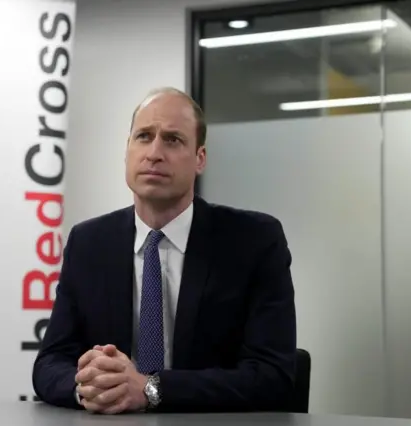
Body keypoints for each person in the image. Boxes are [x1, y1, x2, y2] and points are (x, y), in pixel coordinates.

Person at [32, 87, 296, 414]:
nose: (154, 152)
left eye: (172, 140)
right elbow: (49, 363)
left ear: (200, 158)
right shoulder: (88, 243)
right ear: (127, 150)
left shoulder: (254, 241)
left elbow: (274, 376)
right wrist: (89, 385)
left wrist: (150, 389)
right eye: (143, 136)